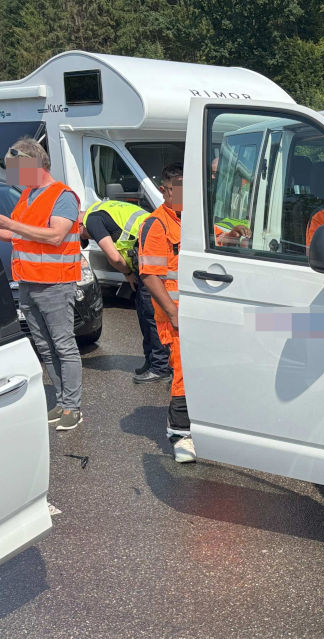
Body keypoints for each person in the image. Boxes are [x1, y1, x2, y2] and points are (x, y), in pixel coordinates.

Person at [0, 137, 84, 431]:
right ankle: (64, 402)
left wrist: (11, 226)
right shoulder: (28, 194)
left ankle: (72, 407)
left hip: (54, 283)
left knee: (63, 345)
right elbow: (15, 235)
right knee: (43, 344)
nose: (11, 176)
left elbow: (55, 236)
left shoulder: (62, 195)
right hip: (27, 281)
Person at [80, 199, 173, 384]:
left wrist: (128, 273)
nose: (90, 239)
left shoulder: (92, 219)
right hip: (153, 245)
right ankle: (151, 361)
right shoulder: (103, 207)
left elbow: (114, 257)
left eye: (86, 237)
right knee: (143, 309)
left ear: (79, 227)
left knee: (151, 313)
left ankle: (161, 368)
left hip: (151, 250)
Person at [138, 163, 194, 463]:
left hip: (197, 313)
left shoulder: (191, 218)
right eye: (179, 186)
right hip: (174, 316)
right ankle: (180, 435)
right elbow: (149, 276)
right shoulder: (156, 224)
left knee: (199, 372)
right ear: (166, 189)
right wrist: (172, 312)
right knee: (183, 374)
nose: (185, 192)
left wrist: (230, 236)